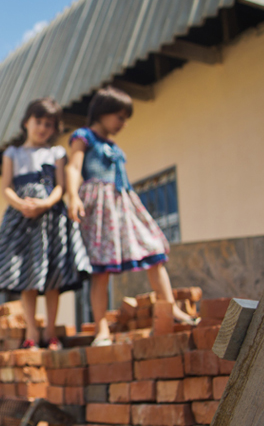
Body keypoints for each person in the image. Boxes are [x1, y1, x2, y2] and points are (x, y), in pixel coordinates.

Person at [65, 86, 197, 346]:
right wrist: (73, 196)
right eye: (120, 116)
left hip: (124, 203)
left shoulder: (112, 144)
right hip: (99, 205)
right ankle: (102, 329)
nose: (123, 123)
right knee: (101, 269)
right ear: (103, 112)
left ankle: (170, 308)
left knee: (154, 250)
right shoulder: (84, 137)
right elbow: (73, 167)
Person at [0, 97, 91, 351]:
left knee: (53, 275)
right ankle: (31, 332)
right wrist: (22, 205)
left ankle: (50, 332)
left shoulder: (57, 153)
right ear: (26, 122)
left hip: (51, 219)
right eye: (38, 121)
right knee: (27, 275)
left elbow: (61, 186)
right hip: (22, 220)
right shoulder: (12, 153)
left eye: (49, 124)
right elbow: (6, 187)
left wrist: (44, 204)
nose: (43, 128)